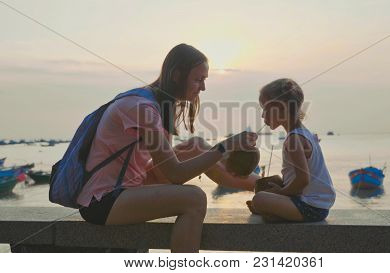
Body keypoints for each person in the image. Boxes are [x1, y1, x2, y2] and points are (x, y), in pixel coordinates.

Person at [76, 44, 257, 252]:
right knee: (195, 199)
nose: (203, 88)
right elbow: (175, 174)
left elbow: (164, 169)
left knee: (196, 145)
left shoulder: (159, 104)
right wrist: (225, 146)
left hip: (130, 187)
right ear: (177, 75)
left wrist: (217, 154)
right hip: (102, 200)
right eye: (198, 80)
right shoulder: (143, 109)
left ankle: (261, 185)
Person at [247, 78, 335, 222]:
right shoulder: (304, 133)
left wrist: (280, 192)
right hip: (318, 206)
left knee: (259, 199)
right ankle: (275, 211)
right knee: (271, 182)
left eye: (265, 109)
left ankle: (273, 212)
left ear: (282, 108)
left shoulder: (294, 139)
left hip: (310, 208)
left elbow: (303, 179)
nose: (262, 115)